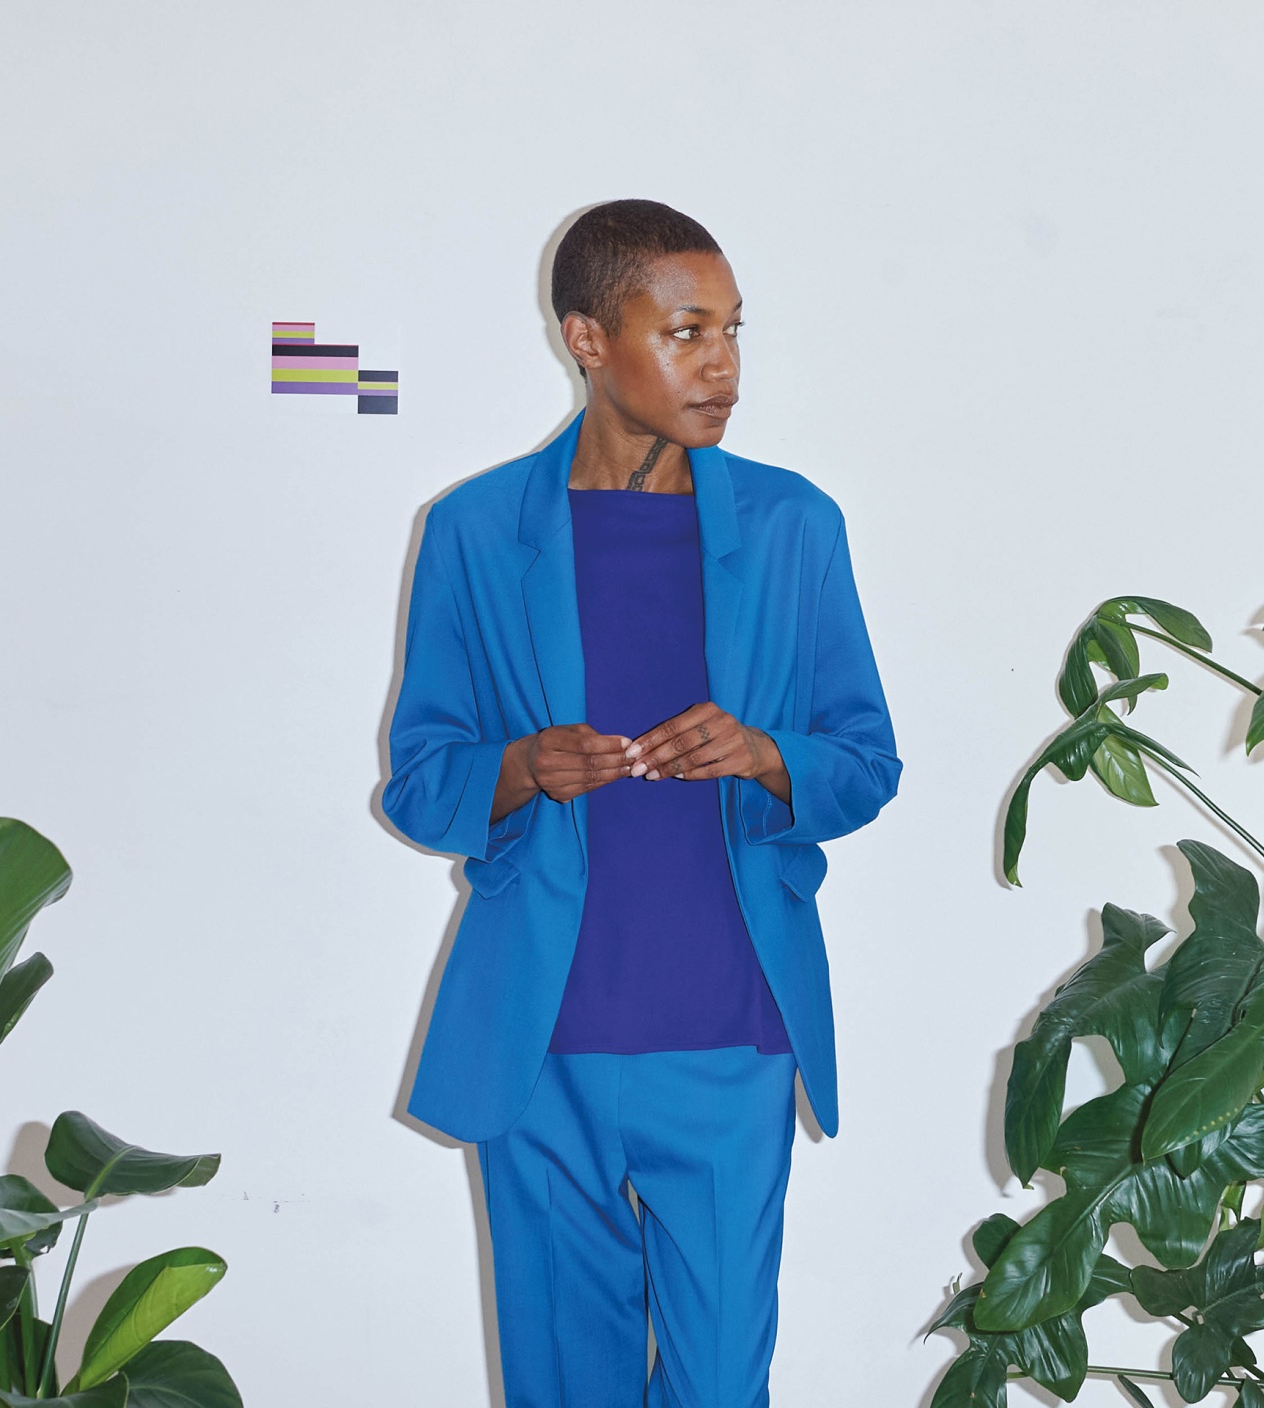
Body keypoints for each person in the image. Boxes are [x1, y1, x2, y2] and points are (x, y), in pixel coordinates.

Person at [382, 199, 901, 1408]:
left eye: (731, 330)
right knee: (565, 1384)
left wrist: (763, 752)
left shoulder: (791, 525)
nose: (721, 365)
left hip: (729, 1027)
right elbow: (420, 778)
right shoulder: (474, 531)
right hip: (542, 1036)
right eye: (683, 332)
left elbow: (863, 760)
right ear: (585, 338)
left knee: (719, 1386)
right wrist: (522, 766)